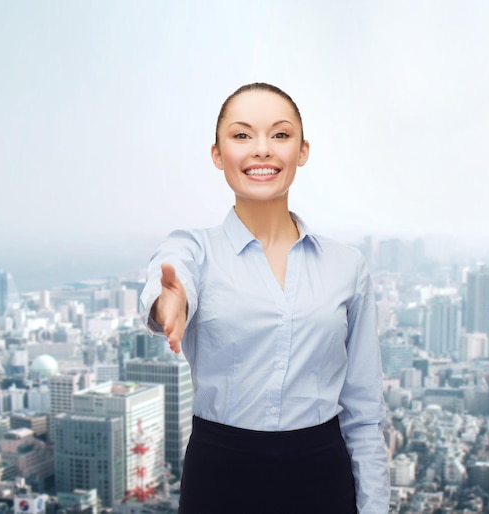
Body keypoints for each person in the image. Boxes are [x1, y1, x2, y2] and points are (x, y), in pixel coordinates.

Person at [140, 82, 390, 513]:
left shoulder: (347, 266)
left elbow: (364, 411)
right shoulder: (195, 249)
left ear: (302, 151)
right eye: (241, 136)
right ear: (217, 155)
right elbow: (172, 278)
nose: (262, 150)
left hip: (322, 475)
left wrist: (375, 508)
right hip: (220, 476)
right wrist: (170, 303)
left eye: (279, 134)